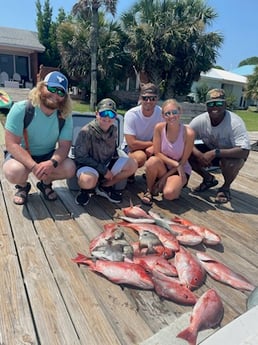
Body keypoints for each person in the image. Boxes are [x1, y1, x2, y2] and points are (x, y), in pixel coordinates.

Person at [3, 71, 76, 205]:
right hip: (23, 154)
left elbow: (64, 146)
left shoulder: (65, 115)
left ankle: (46, 184)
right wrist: (34, 166)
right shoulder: (21, 109)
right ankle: (22, 186)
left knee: (70, 168)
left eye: (60, 92)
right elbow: (12, 144)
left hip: (48, 155)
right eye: (52, 89)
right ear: (41, 87)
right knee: (13, 171)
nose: (55, 95)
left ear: (65, 97)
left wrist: (51, 163)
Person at [189, 88, 250, 203]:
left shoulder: (235, 123)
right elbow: (185, 139)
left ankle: (225, 188)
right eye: (211, 104)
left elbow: (245, 150)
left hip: (230, 154)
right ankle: (208, 179)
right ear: (206, 106)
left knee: (231, 163)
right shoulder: (200, 120)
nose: (215, 107)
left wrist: (215, 152)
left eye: (219, 103)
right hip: (210, 150)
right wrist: (199, 155)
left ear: (225, 104)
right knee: (186, 152)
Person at [74, 98, 137, 206]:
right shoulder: (86, 131)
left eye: (111, 114)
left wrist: (111, 167)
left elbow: (114, 150)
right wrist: (104, 170)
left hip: (106, 163)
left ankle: (105, 186)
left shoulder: (114, 129)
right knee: (87, 180)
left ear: (115, 116)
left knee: (133, 164)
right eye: (104, 113)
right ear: (97, 114)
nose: (107, 117)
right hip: (88, 165)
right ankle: (85, 191)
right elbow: (81, 157)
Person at [141, 99, 195, 205]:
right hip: (166, 166)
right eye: (167, 113)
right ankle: (149, 190)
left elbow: (182, 162)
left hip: (180, 170)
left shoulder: (189, 133)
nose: (171, 116)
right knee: (152, 161)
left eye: (174, 112)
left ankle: (166, 184)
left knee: (169, 194)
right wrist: (175, 163)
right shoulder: (159, 128)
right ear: (163, 115)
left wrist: (163, 179)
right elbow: (157, 153)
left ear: (180, 112)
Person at [123, 83, 163, 183]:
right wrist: (154, 144)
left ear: (157, 99)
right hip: (130, 148)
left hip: (150, 145)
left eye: (152, 98)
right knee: (141, 157)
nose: (149, 101)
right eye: (145, 98)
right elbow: (131, 144)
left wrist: (155, 146)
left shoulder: (161, 113)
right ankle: (129, 172)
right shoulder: (131, 114)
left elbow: (165, 136)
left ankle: (154, 175)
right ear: (141, 98)